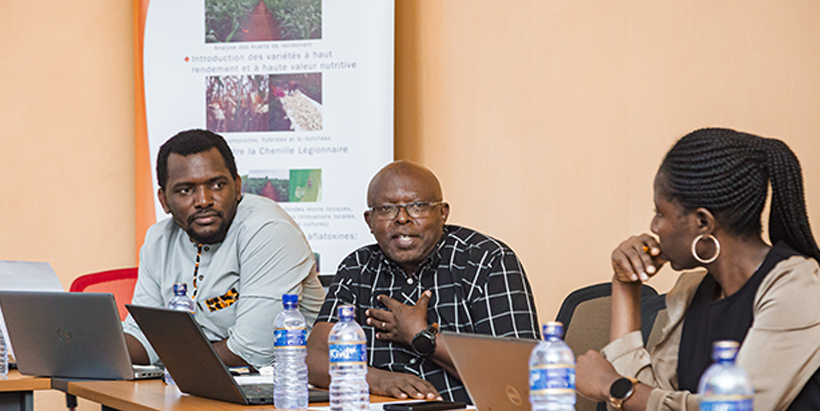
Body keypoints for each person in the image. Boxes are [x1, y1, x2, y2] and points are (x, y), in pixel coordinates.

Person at [575, 128, 820, 411]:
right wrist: (625, 285)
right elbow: (652, 397)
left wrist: (614, 387)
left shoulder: (797, 286)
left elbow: (735, 408)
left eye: (660, 213)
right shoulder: (693, 291)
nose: (654, 227)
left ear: (702, 222)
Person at [305, 161, 540, 403]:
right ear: (369, 220)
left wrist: (421, 337)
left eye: (417, 206)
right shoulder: (357, 267)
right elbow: (312, 358)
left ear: (443, 213)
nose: (402, 218)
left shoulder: (487, 261)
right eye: (386, 209)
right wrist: (378, 379)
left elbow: (520, 378)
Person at [122, 129, 324, 370]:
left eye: (217, 185)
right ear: (164, 200)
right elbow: (144, 336)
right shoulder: (158, 240)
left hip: (283, 392)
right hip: (204, 383)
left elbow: (251, 351)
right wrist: (94, 346)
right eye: (186, 190)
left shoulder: (268, 230)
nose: (204, 200)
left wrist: (172, 360)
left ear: (237, 187)